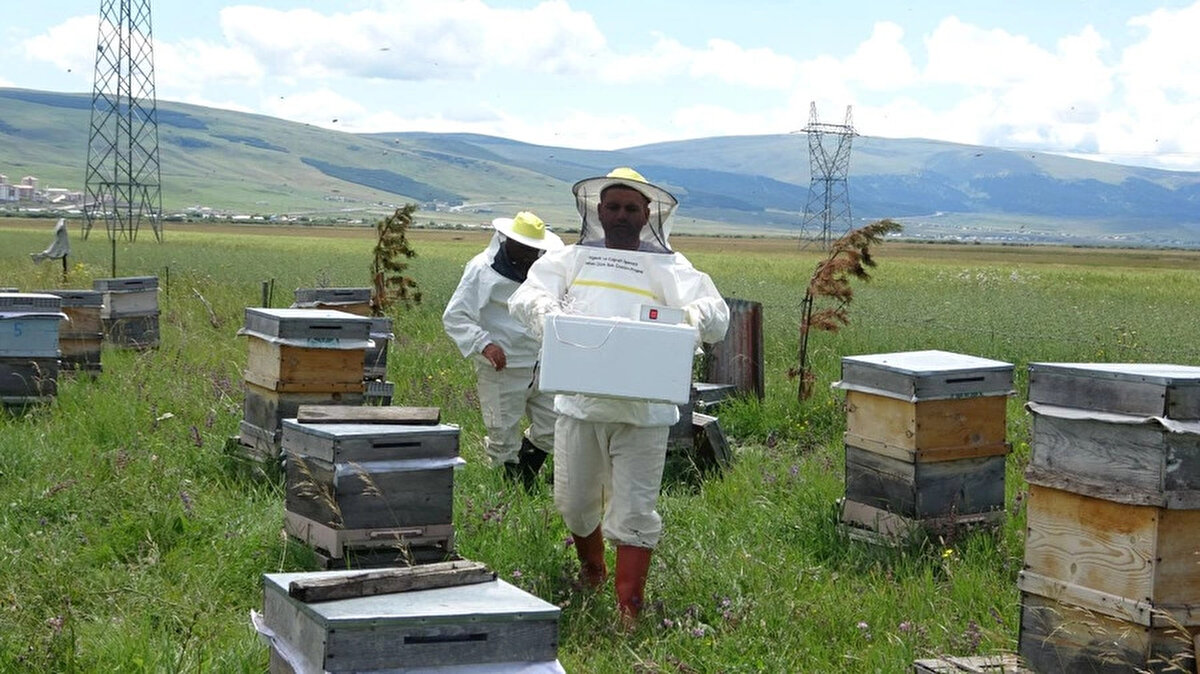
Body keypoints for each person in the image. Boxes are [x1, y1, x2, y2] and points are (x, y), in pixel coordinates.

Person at [508, 168, 729, 626]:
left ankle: (629, 609)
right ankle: (592, 570)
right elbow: (527, 297)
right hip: (578, 407)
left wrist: (689, 315)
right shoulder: (569, 261)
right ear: (598, 211)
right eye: (614, 207)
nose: (623, 216)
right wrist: (546, 312)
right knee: (573, 502)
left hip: (643, 414)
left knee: (634, 510)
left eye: (632, 208)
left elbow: (716, 314)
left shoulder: (672, 267)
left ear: (648, 213)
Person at [443, 211, 564, 489]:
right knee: (502, 435)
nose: (531, 254)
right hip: (502, 365)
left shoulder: (545, 270)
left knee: (552, 425)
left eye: (536, 249)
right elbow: (456, 315)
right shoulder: (481, 269)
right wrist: (484, 344)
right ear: (507, 241)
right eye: (525, 247)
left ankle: (525, 478)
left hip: (543, 363)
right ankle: (510, 493)